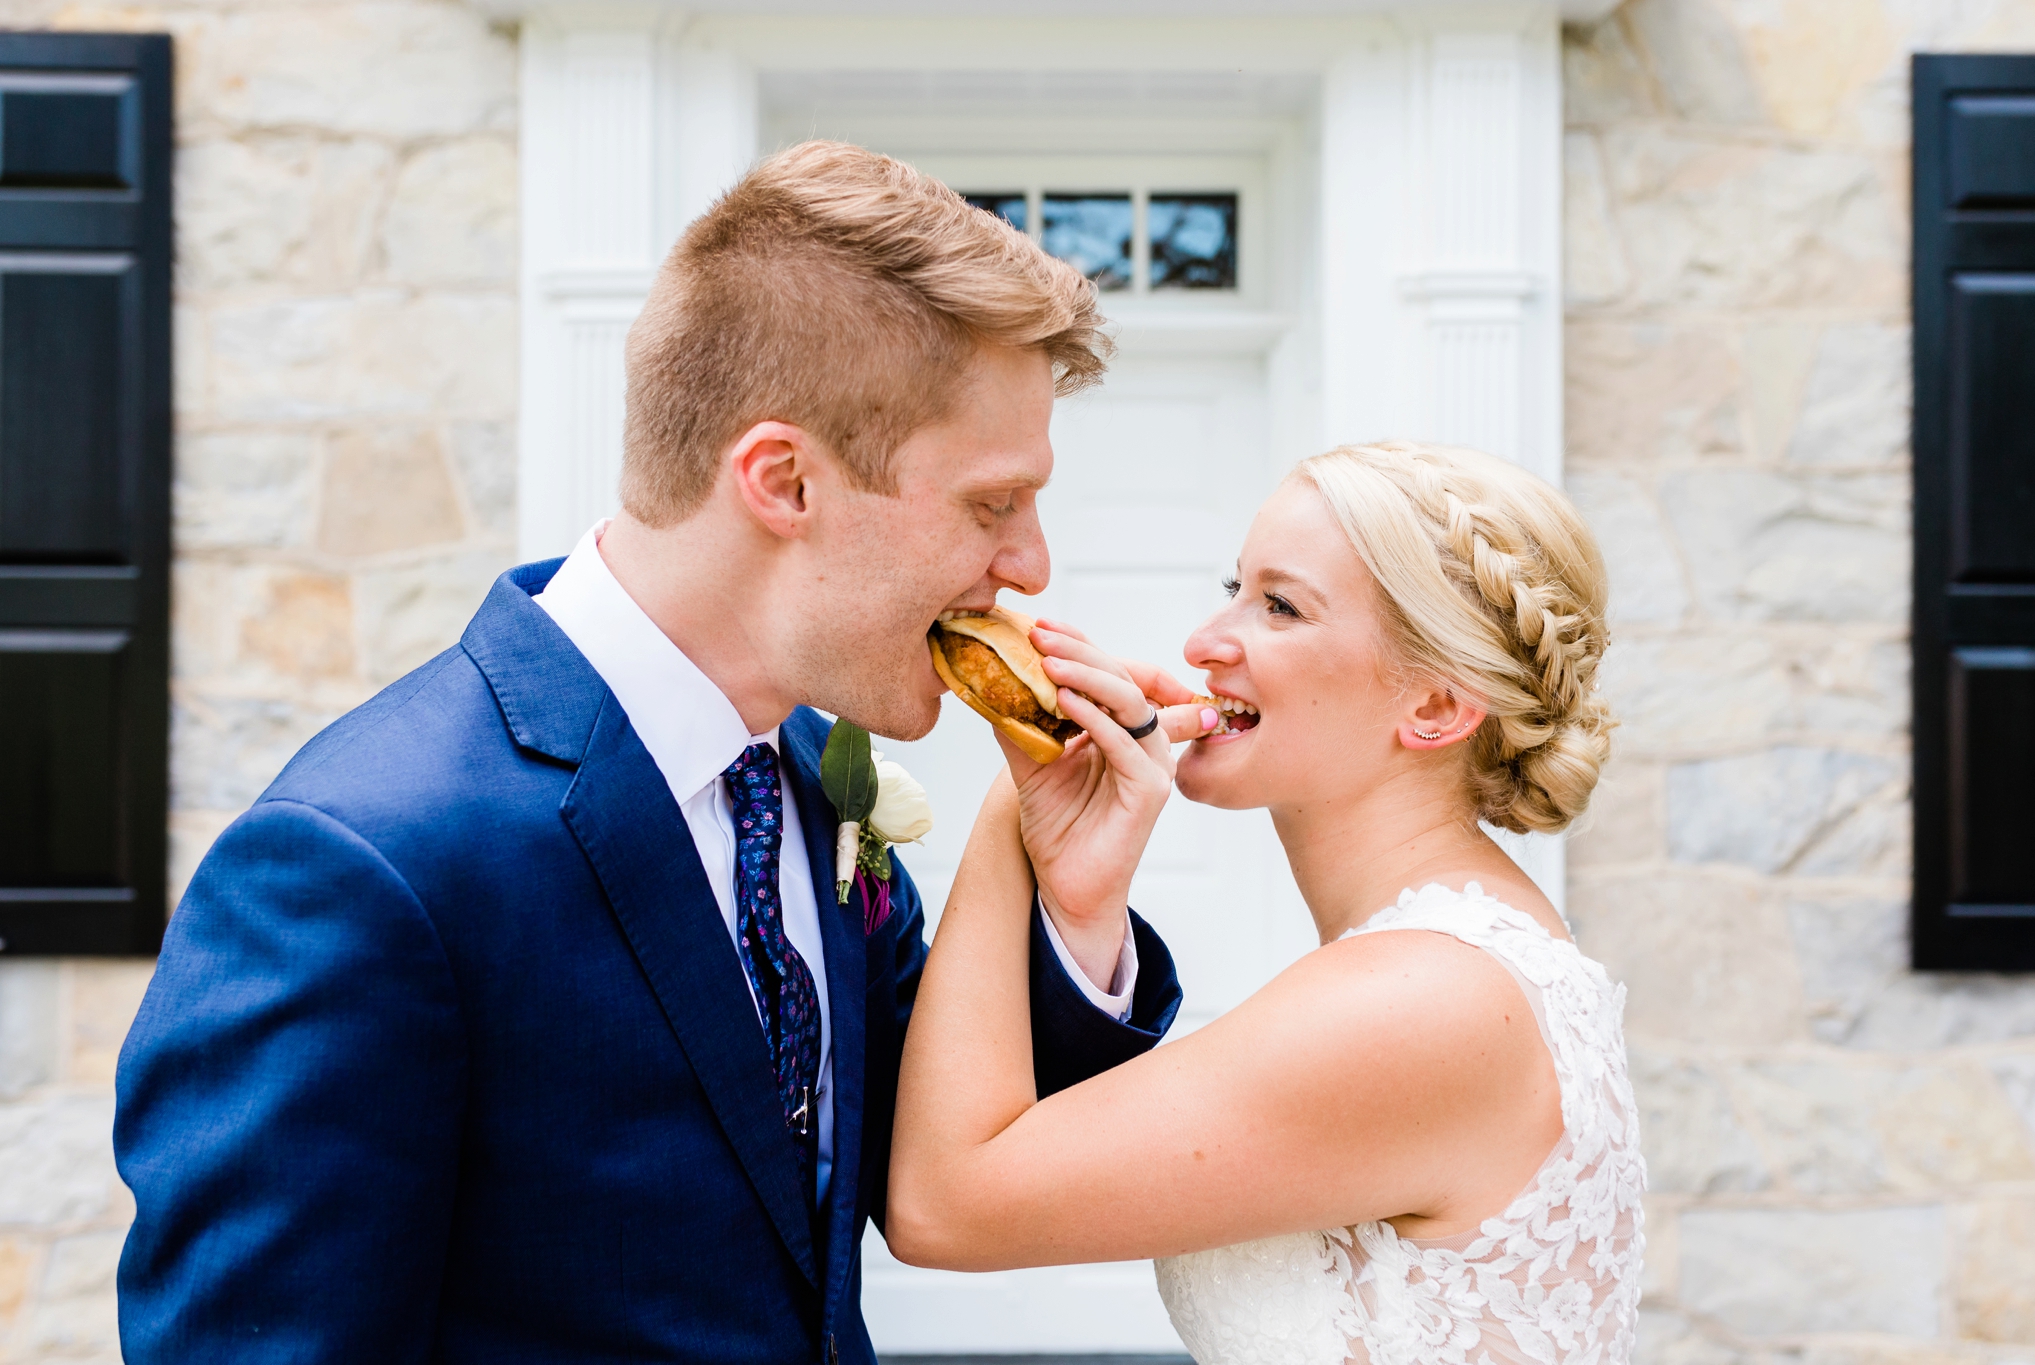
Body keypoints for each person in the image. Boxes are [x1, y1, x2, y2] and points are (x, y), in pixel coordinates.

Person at [112, 142, 1198, 1365]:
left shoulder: (806, 781)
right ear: (782, 479)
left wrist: (1074, 904)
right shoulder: (363, 865)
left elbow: (936, 1163)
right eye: (991, 505)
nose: (1029, 566)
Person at [886, 440, 1644, 1365]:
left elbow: (944, 1206)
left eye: (1281, 606)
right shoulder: (1466, 958)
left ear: (1438, 708)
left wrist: (1020, 790)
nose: (1207, 640)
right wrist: (1071, 894)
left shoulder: (1423, 1000)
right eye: (1235, 585)